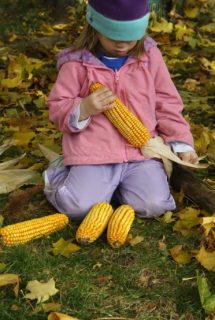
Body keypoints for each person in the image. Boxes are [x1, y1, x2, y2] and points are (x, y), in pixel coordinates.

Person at [44, 0, 198, 220]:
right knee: (78, 208)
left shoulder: (149, 57)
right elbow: (57, 105)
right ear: (94, 26)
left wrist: (181, 142)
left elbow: (167, 101)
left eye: (129, 37)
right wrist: (84, 108)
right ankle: (61, 175)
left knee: (154, 206)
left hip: (141, 153)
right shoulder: (76, 64)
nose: (122, 44)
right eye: (113, 37)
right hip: (93, 154)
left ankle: (113, 189)